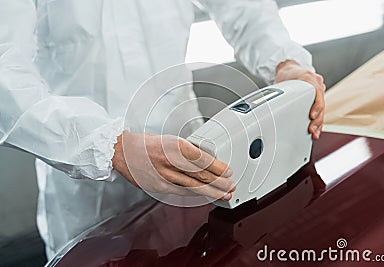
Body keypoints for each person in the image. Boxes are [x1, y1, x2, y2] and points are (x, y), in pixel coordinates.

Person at [0, 0, 325, 259]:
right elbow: (5, 71)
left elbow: (242, 7)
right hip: (86, 186)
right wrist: (108, 146)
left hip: (191, 156)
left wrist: (284, 59)